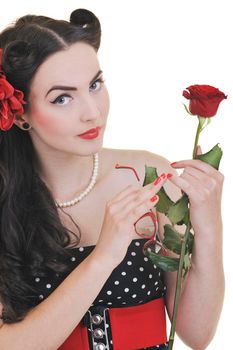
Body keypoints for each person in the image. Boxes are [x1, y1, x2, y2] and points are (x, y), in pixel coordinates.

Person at [0, 8, 224, 350]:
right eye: (62, 98)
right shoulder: (6, 202)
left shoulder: (147, 177)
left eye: (94, 85)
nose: (92, 111)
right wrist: (105, 255)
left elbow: (197, 334)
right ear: (19, 114)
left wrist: (208, 223)